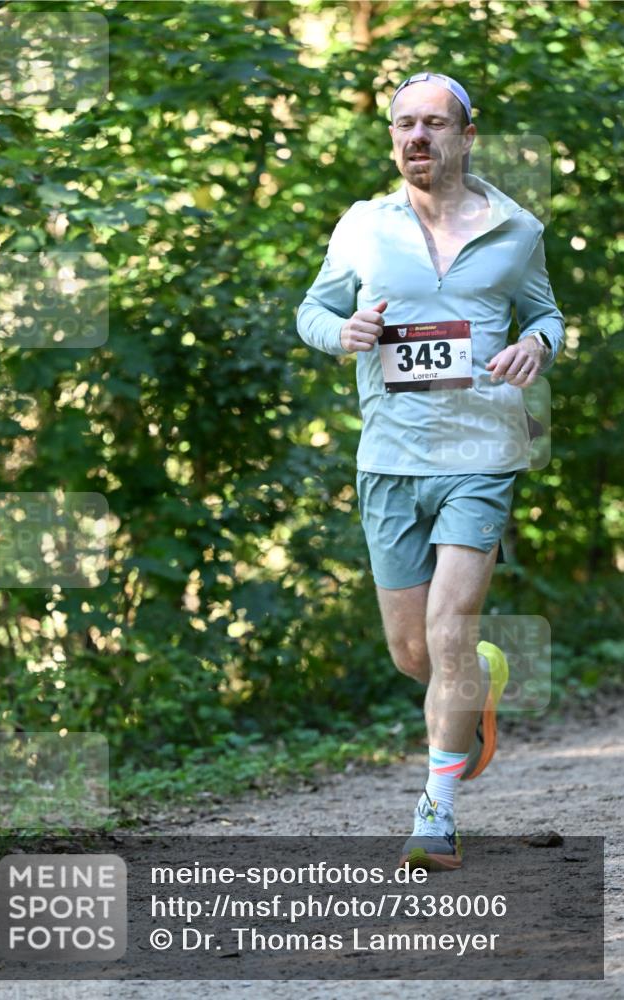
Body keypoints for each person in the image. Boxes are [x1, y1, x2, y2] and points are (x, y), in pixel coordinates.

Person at [296, 71, 565, 870]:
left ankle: (435, 812)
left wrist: (535, 344)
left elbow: (544, 313)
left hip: (481, 452)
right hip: (388, 457)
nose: (417, 137)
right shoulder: (361, 227)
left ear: (465, 134)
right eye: (403, 124)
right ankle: (477, 679)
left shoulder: (517, 229)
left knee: (448, 632)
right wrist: (340, 333)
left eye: (434, 124)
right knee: (414, 653)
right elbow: (314, 310)